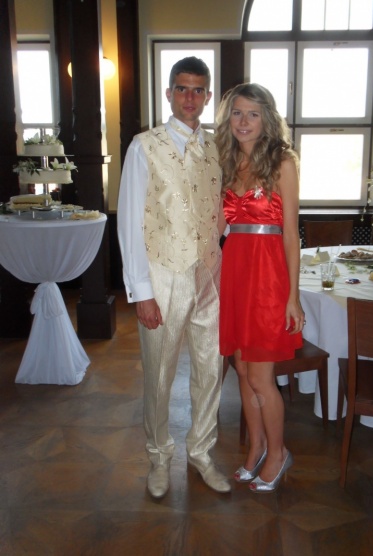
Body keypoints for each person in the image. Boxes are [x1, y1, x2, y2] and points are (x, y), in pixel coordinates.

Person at [117, 57, 230, 498]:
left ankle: (201, 451)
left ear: (207, 96)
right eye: (182, 88)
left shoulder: (217, 147)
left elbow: (220, 209)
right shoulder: (144, 146)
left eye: (198, 90)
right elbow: (129, 222)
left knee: (210, 370)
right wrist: (141, 291)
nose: (190, 98)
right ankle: (158, 456)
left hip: (210, 275)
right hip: (163, 274)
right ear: (168, 93)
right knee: (159, 376)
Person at [215, 83, 305, 493]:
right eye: (237, 112)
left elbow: (291, 235)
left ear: (266, 118)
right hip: (235, 269)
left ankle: (278, 453)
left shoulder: (283, 161)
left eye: (253, 113)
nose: (244, 121)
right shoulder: (226, 161)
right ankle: (255, 448)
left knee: (260, 377)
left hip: (268, 274)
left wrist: (293, 296)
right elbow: (218, 227)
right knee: (241, 369)